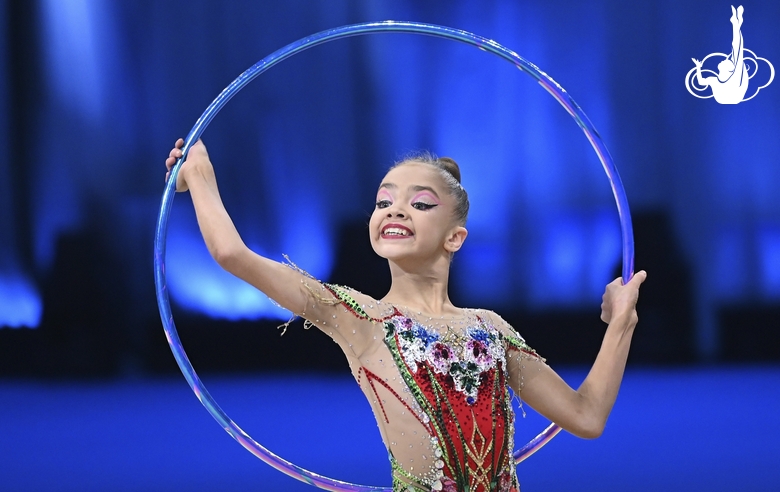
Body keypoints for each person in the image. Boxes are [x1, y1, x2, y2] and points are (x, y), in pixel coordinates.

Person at [165, 139, 646, 492]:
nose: (394, 210)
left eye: (418, 203)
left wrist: (620, 324)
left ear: (454, 238)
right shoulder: (360, 319)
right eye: (383, 201)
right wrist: (200, 178)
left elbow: (587, 416)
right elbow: (232, 254)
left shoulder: (491, 329)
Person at [692, 5, 748, 104]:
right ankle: (736, 23)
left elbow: (738, 49)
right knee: (737, 52)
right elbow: (701, 82)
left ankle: (736, 23)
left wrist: (698, 68)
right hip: (729, 97)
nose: (724, 59)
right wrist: (698, 67)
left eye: (726, 61)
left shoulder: (734, 77)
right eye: (727, 60)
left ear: (729, 69)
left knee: (737, 51)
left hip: (733, 96)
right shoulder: (714, 80)